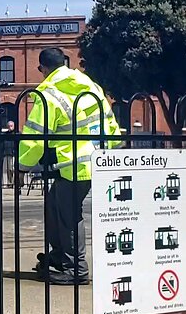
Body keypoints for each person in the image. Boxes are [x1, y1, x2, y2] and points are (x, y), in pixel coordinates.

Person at [18, 48, 122, 285]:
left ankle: (76, 268)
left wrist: (22, 167)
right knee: (54, 204)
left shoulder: (49, 94)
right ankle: (60, 258)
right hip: (96, 158)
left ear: (43, 68)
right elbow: (109, 122)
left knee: (67, 214)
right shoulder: (90, 86)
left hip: (74, 163)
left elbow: (35, 136)